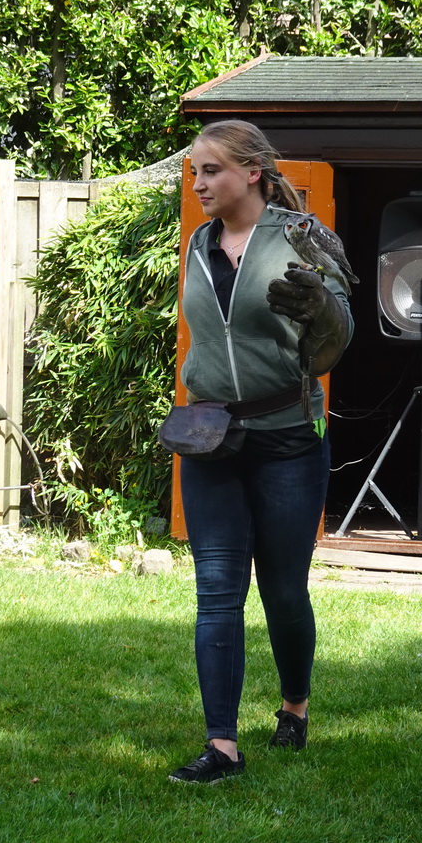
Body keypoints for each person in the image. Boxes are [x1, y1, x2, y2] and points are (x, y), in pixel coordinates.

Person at [167, 120, 354, 784]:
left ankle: (294, 709)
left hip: (287, 440)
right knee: (217, 590)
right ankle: (222, 746)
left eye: (211, 170)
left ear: (252, 172)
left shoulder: (295, 237)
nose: (200, 184)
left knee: (281, 588)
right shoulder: (195, 245)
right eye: (194, 173)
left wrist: (326, 313)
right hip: (210, 437)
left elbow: (340, 332)